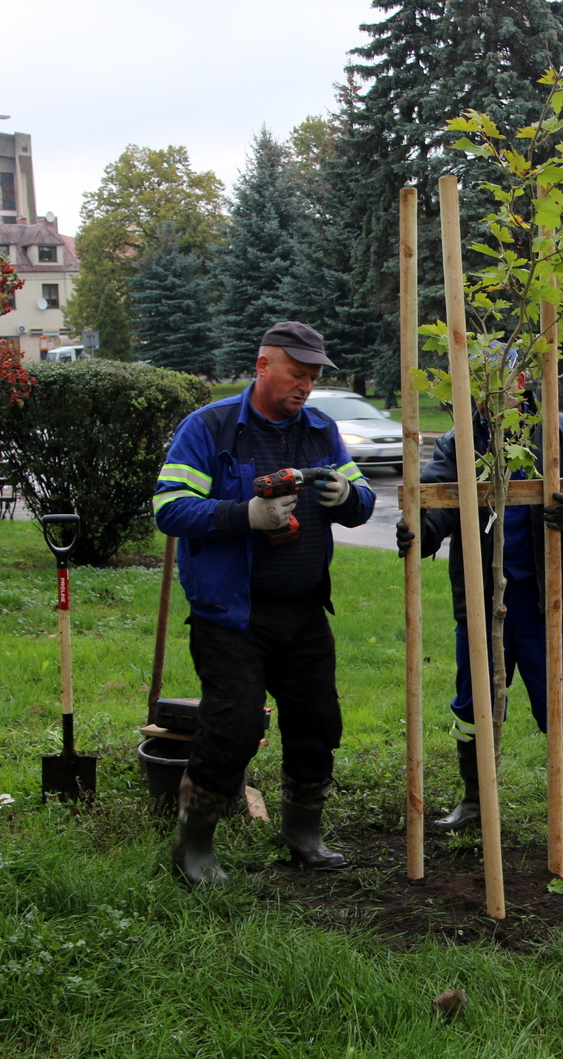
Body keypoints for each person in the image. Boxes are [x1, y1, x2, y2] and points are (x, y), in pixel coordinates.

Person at [153, 321, 375, 884]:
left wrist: (349, 495)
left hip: (303, 611)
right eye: (296, 374)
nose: (305, 386)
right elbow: (170, 507)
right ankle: (194, 844)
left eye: (313, 377)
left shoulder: (321, 430)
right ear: (262, 366)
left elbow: (364, 499)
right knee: (233, 724)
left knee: (317, 722)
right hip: (230, 613)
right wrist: (243, 515)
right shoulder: (210, 428)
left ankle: (303, 831)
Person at [397, 379, 563, 850]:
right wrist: (423, 530)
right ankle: (475, 802)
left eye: (503, 385)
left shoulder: (559, 433)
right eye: (481, 386)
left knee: (562, 707)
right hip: (482, 603)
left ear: (522, 385)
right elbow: (438, 497)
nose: (493, 396)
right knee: (473, 702)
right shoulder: (461, 441)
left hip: (546, 602)